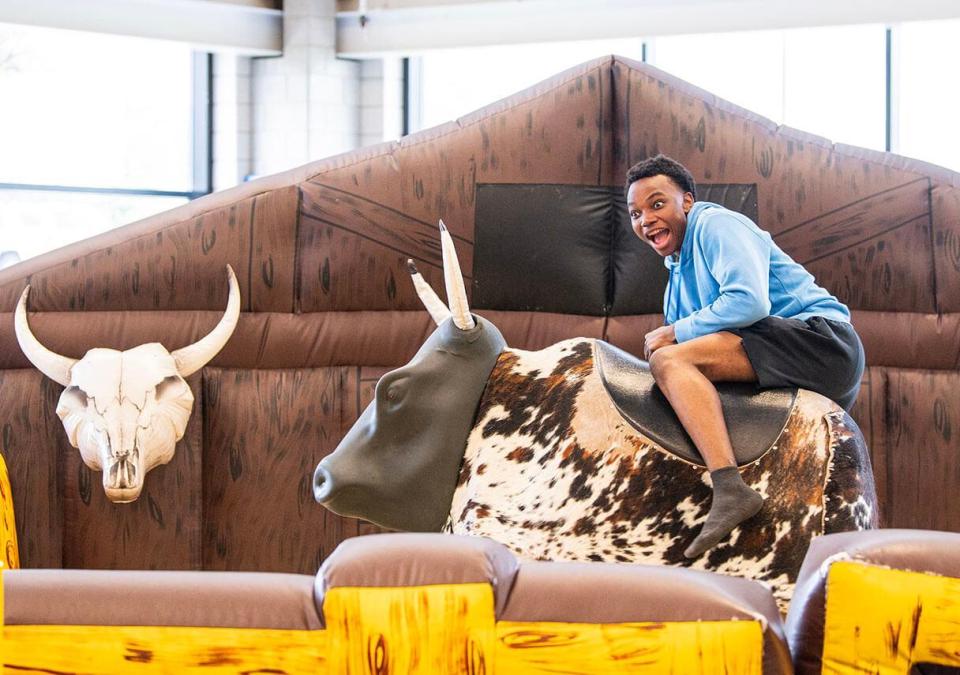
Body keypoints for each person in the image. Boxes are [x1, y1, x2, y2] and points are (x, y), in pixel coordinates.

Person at [625, 154, 865, 558]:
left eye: (656, 203)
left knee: (669, 360)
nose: (645, 218)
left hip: (823, 341)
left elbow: (750, 302)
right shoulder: (675, 278)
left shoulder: (716, 224)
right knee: (670, 370)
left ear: (686, 201)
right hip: (775, 352)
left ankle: (728, 486)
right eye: (634, 213)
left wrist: (674, 332)